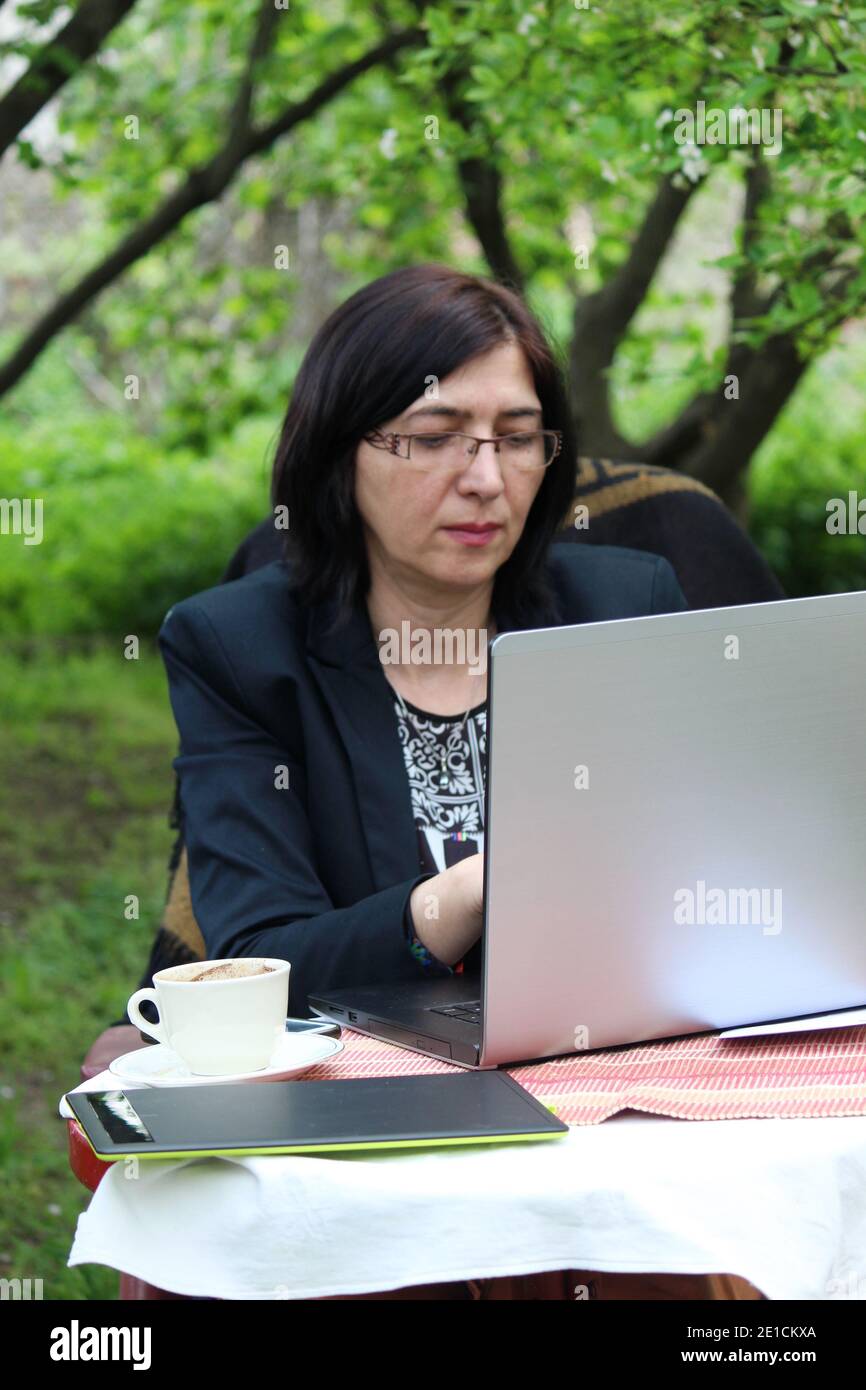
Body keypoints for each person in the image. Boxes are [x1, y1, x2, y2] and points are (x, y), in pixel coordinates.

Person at [157, 262, 689, 1014]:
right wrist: (470, 893)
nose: (486, 478)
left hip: (608, 1044)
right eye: (436, 437)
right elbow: (260, 968)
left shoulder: (624, 610)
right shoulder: (239, 650)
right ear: (341, 454)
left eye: (518, 438)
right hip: (374, 1092)